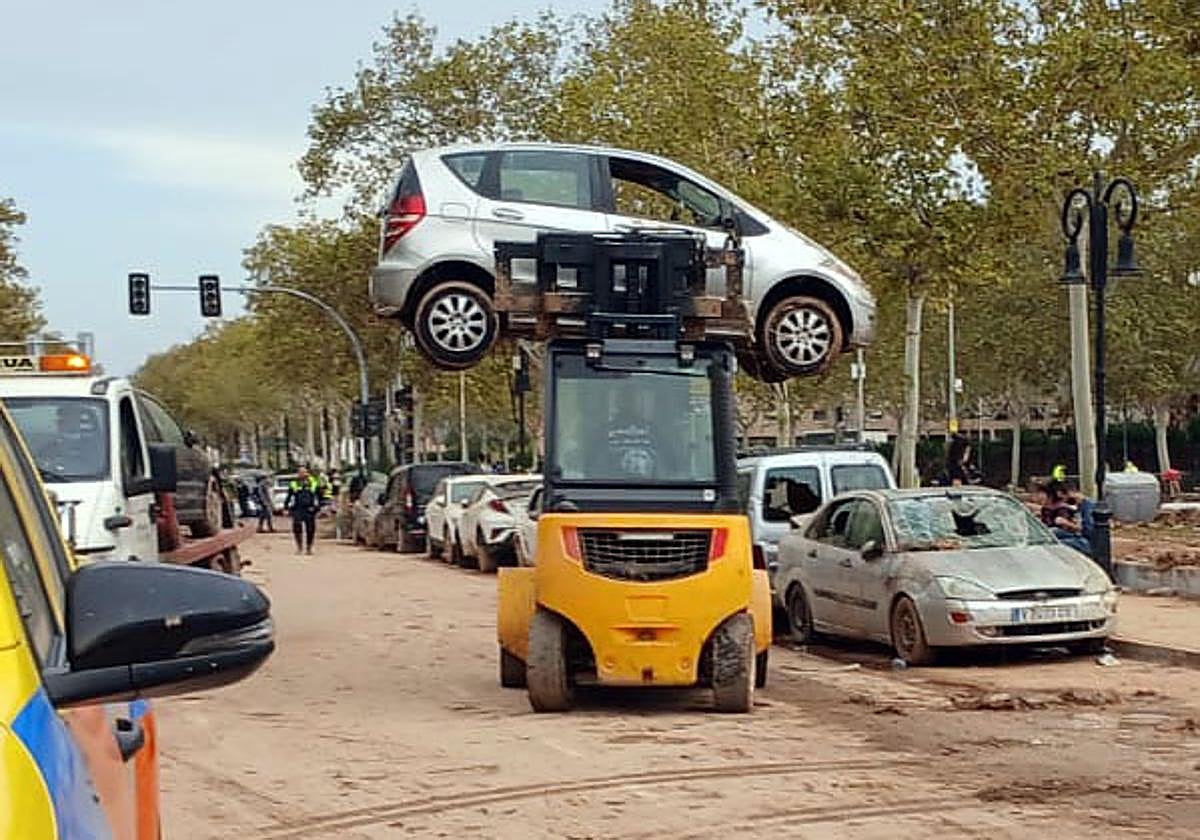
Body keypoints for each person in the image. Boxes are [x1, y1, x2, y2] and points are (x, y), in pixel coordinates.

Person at [285, 466, 322, 555]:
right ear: (298, 473)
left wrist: (317, 507)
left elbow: (319, 496)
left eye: (304, 472)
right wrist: (286, 507)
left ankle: (309, 548)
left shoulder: (313, 482)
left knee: (310, 529)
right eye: (300, 472)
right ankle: (299, 547)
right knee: (297, 528)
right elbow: (289, 496)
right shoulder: (294, 483)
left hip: (310, 509)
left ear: (307, 473)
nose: (302, 474)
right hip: (298, 508)